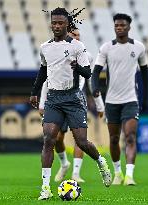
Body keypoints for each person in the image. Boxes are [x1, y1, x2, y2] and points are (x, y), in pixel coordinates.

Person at [30, 7, 112, 200]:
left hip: (74, 98)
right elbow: (43, 71)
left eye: (60, 23)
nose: (57, 26)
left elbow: (88, 73)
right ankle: (45, 188)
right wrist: (34, 92)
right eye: (54, 23)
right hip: (54, 99)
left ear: (67, 24)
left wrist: (77, 67)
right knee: (49, 139)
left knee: (81, 142)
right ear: (51, 24)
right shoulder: (45, 47)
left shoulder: (77, 47)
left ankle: (101, 162)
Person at [39, 29, 105, 183]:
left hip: (77, 99)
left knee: (79, 139)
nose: (76, 38)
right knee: (56, 139)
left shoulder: (86, 56)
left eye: (78, 36)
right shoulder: (54, 52)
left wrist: (99, 105)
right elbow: (46, 81)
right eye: (73, 35)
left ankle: (76, 173)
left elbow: (91, 81)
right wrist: (42, 103)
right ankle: (64, 164)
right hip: (57, 98)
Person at [91, 13, 148, 186]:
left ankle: (129, 175)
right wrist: (95, 88)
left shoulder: (138, 47)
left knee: (130, 136)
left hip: (131, 99)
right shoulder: (106, 48)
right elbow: (95, 72)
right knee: (115, 139)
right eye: (117, 25)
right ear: (114, 27)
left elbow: (145, 74)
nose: (119, 28)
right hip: (111, 101)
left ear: (129, 27)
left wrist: (145, 98)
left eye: (122, 25)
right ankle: (117, 173)